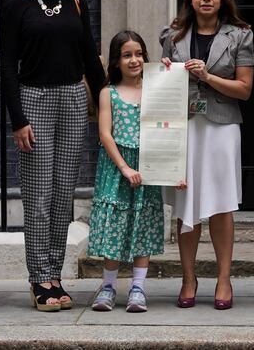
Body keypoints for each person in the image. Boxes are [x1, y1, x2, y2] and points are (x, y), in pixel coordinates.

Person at [0, 0, 104, 311]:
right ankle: (38, 277)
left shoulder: (75, 1)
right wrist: (18, 120)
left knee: (63, 194)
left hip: (74, 98)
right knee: (38, 195)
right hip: (35, 100)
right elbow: (8, 66)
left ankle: (55, 276)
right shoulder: (16, 5)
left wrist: (108, 98)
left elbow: (90, 57)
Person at [160, 0, 254, 310]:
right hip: (184, 125)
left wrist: (208, 76)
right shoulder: (172, 36)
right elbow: (162, 78)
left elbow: (244, 90)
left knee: (221, 203)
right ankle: (188, 278)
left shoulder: (240, 35)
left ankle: (224, 278)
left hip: (222, 125)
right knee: (188, 203)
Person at [87, 30, 164, 313]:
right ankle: (107, 287)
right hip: (117, 166)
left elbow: (172, 126)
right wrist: (124, 167)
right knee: (114, 226)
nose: (134, 60)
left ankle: (138, 288)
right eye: (127, 55)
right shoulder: (108, 92)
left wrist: (173, 170)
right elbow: (105, 134)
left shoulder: (156, 88)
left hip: (147, 166)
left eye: (139, 54)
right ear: (116, 61)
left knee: (142, 222)